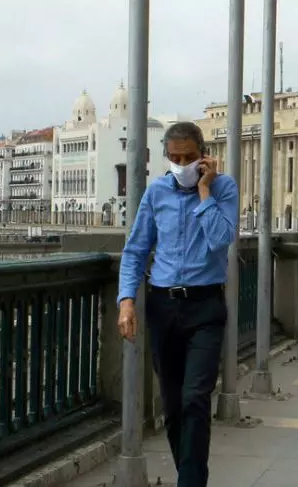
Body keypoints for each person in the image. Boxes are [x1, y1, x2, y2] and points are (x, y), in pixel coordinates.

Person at [116, 122, 239, 487]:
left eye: (188, 157)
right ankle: (192, 476)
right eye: (174, 157)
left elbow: (221, 240)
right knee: (171, 407)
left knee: (195, 399)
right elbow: (136, 250)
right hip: (163, 305)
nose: (181, 163)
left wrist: (204, 191)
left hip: (205, 307)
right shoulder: (156, 194)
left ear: (203, 155)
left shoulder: (223, 188)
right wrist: (126, 302)